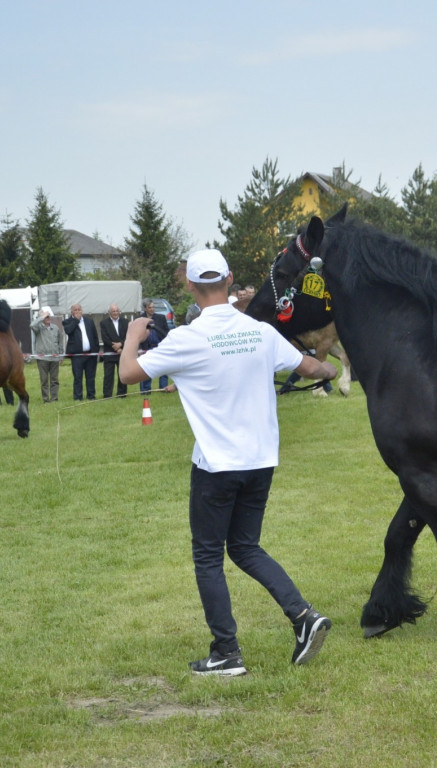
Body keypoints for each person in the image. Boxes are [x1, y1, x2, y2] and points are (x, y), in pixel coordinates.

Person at [119, 248, 337, 676]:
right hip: (260, 462)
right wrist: (329, 372)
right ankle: (304, 617)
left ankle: (226, 652)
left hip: (217, 466)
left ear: (190, 286)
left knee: (207, 557)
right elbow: (310, 366)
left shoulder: (188, 337)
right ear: (231, 279)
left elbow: (129, 374)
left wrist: (132, 337)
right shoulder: (259, 331)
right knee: (244, 547)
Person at [62, 303, 99, 401]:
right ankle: (78, 397)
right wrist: (76, 320)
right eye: (75, 310)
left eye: (79, 309)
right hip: (77, 355)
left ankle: (91, 396)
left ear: (82, 311)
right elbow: (68, 331)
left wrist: (95, 351)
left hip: (90, 354)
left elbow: (95, 337)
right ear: (72, 312)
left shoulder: (89, 321)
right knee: (78, 377)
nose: (78, 311)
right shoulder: (67, 322)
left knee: (90, 377)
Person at [30, 307, 63, 403]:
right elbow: (31, 325)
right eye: (46, 317)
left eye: (49, 316)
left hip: (54, 358)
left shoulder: (55, 328)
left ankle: (54, 399)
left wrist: (61, 355)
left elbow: (60, 342)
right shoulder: (38, 328)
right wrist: (42, 317)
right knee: (44, 381)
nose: (48, 318)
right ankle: (45, 399)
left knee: (54, 380)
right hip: (42, 359)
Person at [138, 299, 170, 394]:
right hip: (146, 348)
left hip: (159, 347)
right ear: (145, 308)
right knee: (146, 369)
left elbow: (166, 333)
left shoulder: (161, 318)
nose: (152, 309)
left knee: (163, 368)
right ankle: (145, 390)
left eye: (153, 307)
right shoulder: (140, 319)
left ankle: (163, 388)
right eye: (150, 307)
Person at [99, 303, 128, 398]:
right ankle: (107, 394)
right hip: (110, 353)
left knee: (122, 374)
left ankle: (122, 393)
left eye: (117, 311)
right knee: (108, 375)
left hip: (122, 353)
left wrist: (121, 345)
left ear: (119, 311)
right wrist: (115, 348)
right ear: (109, 313)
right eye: (113, 311)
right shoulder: (104, 323)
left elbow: (128, 336)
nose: (115, 313)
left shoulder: (125, 322)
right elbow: (105, 338)